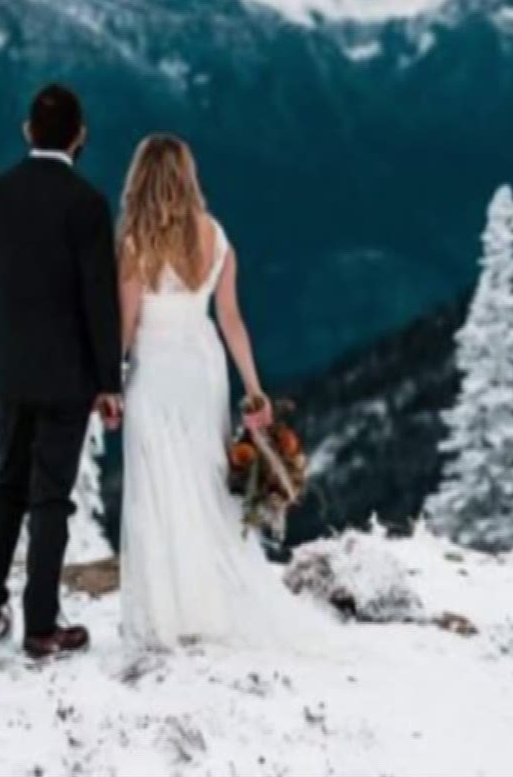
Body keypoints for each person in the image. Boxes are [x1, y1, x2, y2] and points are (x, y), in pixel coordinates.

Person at [115, 133, 338, 650]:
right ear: (187, 178)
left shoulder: (134, 242)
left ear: (141, 178)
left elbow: (126, 327)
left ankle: (167, 612)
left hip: (155, 366)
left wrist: (109, 380)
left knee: (158, 484)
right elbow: (231, 319)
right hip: (203, 363)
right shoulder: (215, 235)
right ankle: (210, 604)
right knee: (207, 479)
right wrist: (254, 388)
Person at [0, 83, 122, 661]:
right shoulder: (89, 205)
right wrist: (109, 380)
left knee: (6, 484)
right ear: (80, 137)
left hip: (6, 369)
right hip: (68, 376)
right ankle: (41, 627)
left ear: (28, 132)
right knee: (50, 497)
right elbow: (100, 300)